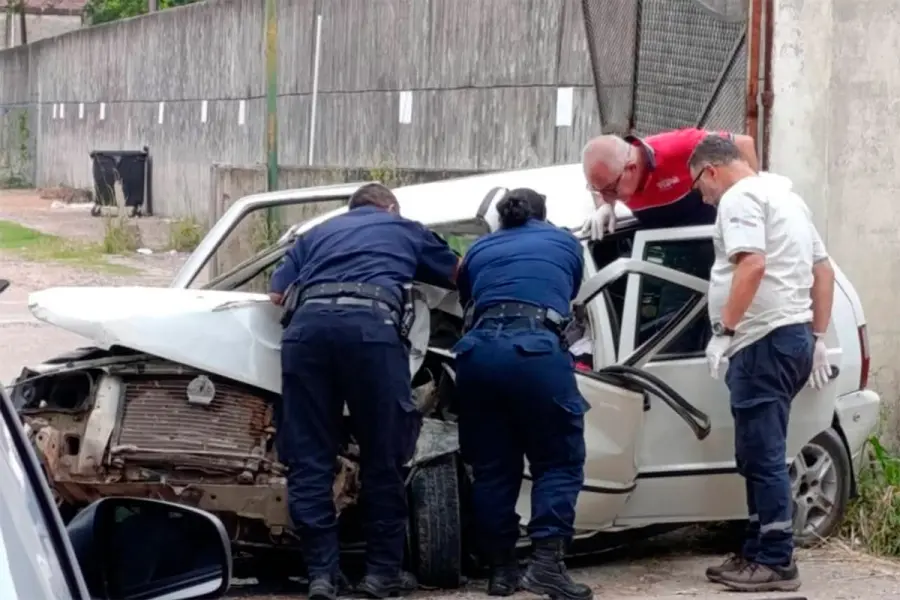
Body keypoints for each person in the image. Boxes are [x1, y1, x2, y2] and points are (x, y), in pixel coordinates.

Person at [268, 183, 460, 600]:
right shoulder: (403, 227)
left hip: (307, 336)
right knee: (383, 455)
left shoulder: (315, 234)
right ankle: (381, 575)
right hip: (371, 333)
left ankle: (322, 575)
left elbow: (276, 293)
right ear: (389, 206)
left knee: (309, 458)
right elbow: (458, 274)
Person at [687, 135, 835, 593]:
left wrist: (723, 331)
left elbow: (751, 265)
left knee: (763, 454)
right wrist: (816, 337)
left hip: (760, 341)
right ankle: (756, 546)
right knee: (756, 451)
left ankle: (775, 558)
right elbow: (823, 270)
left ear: (711, 171)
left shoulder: (738, 198)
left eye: (698, 187)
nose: (702, 197)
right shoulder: (786, 198)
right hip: (789, 337)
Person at [452, 188, 591, 600]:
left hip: (476, 355)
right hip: (534, 350)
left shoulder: (479, 249)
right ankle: (547, 564)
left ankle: (502, 571)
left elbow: (468, 299)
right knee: (558, 461)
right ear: (542, 215)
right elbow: (567, 293)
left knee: (493, 467)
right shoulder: (563, 241)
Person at [580, 128, 759, 239]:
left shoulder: (678, 148)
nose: (607, 196)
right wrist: (603, 206)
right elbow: (601, 185)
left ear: (631, 168)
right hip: (671, 251)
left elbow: (744, 143)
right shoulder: (614, 177)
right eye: (597, 190)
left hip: (716, 235)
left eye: (610, 191)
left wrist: (753, 201)